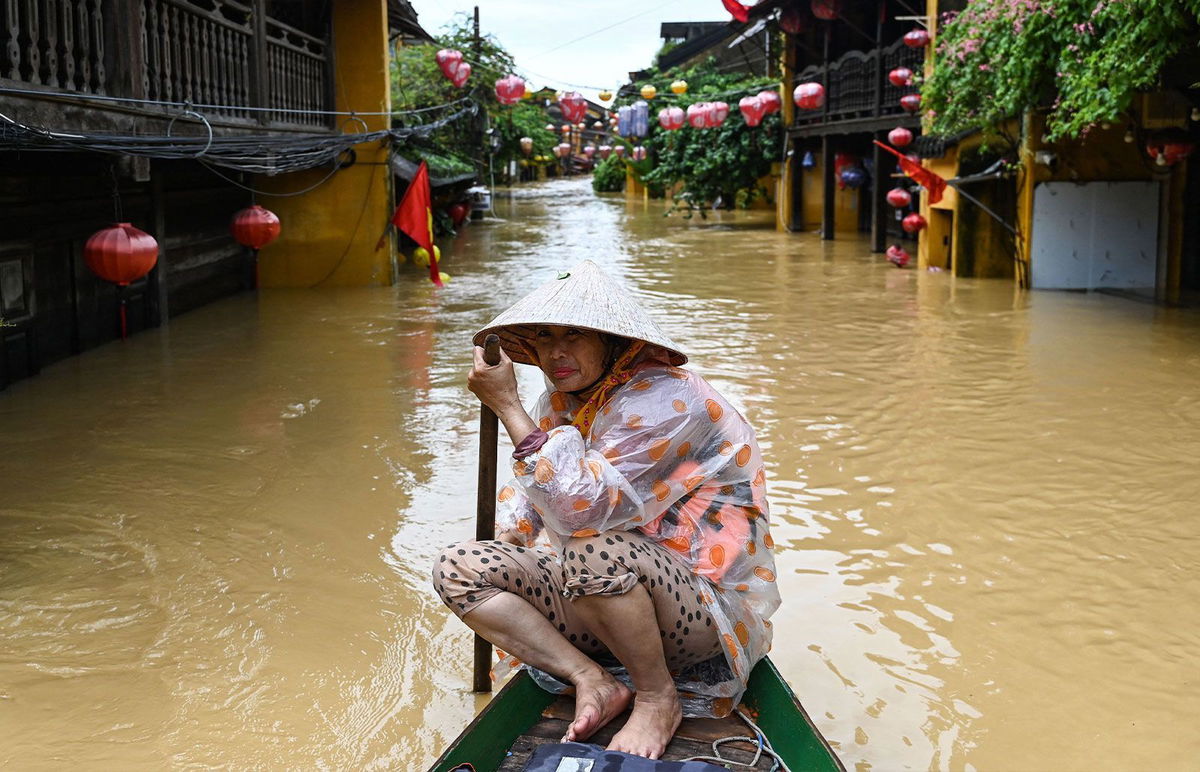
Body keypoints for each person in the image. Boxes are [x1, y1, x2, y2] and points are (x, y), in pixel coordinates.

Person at [432, 260, 780, 759]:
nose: (556, 352)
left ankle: (658, 697)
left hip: (703, 608)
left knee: (590, 548)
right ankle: (591, 678)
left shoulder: (669, 397)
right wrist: (507, 545)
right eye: (546, 337)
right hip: (607, 590)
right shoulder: (564, 399)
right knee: (459, 567)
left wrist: (508, 407)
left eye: (575, 334)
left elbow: (580, 511)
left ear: (613, 341)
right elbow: (530, 502)